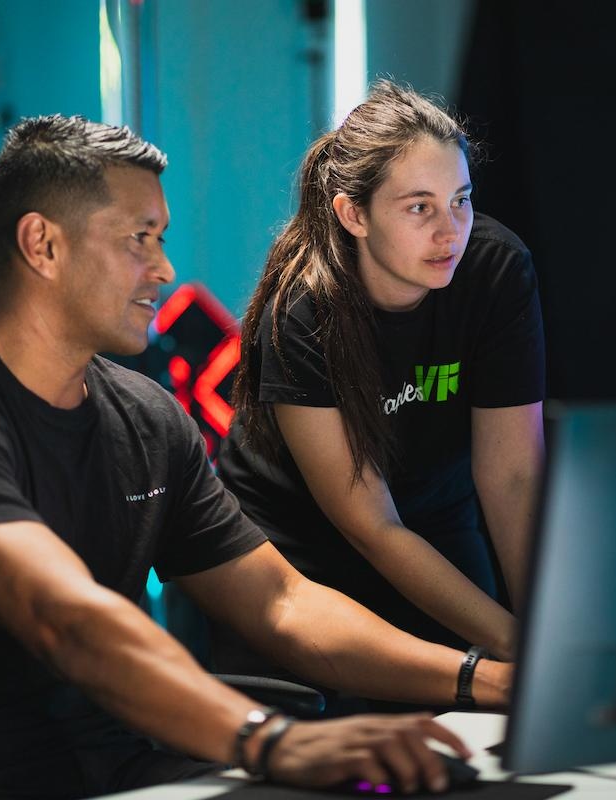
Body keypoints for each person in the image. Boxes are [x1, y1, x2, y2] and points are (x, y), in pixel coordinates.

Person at [0, 114, 511, 799]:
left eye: (162, 238)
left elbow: (282, 602)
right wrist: (274, 742)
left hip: (119, 770)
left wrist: (484, 677)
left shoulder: (145, 418)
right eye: (139, 240)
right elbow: (65, 618)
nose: (165, 268)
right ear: (41, 245)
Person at [215, 81, 545, 703]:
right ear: (353, 214)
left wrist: (546, 639)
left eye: (461, 201)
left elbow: (514, 478)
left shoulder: (497, 272)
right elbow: (372, 526)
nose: (451, 232)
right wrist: (514, 645)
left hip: (438, 523)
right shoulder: (303, 313)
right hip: (300, 553)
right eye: (419, 207)